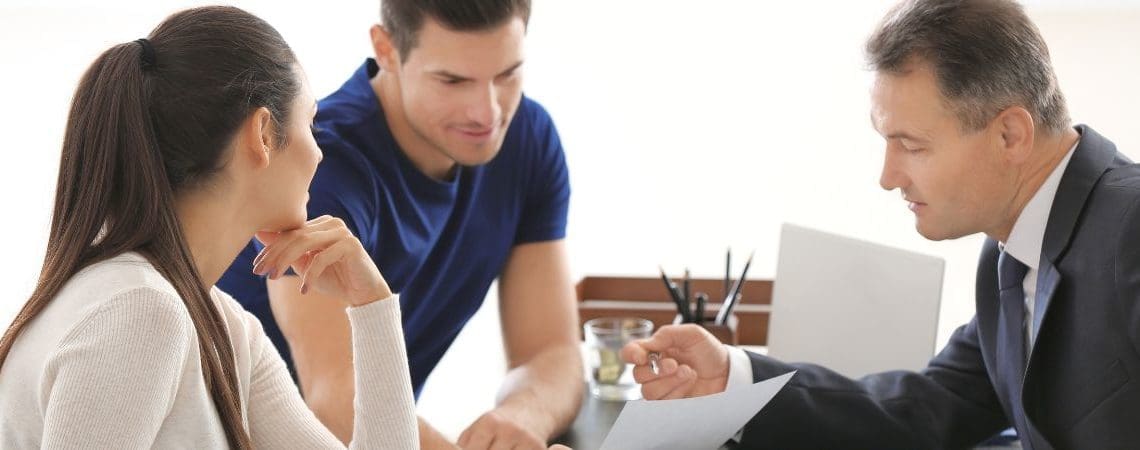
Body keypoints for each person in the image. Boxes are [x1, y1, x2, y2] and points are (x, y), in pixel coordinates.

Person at [622, 0, 1140, 448]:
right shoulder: (1009, 254)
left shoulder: (1131, 226)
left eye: (911, 146)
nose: (888, 178)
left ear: (1009, 135)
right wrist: (733, 380)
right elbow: (924, 410)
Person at [0, 6, 418, 448]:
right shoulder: (140, 309)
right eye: (310, 123)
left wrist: (371, 302)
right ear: (261, 133)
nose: (318, 153)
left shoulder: (224, 327)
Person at [218, 1, 583, 448]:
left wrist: (522, 417)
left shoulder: (527, 137)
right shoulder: (322, 170)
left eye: (507, 75)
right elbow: (335, 401)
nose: (487, 114)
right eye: (453, 80)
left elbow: (552, 350)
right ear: (386, 49)